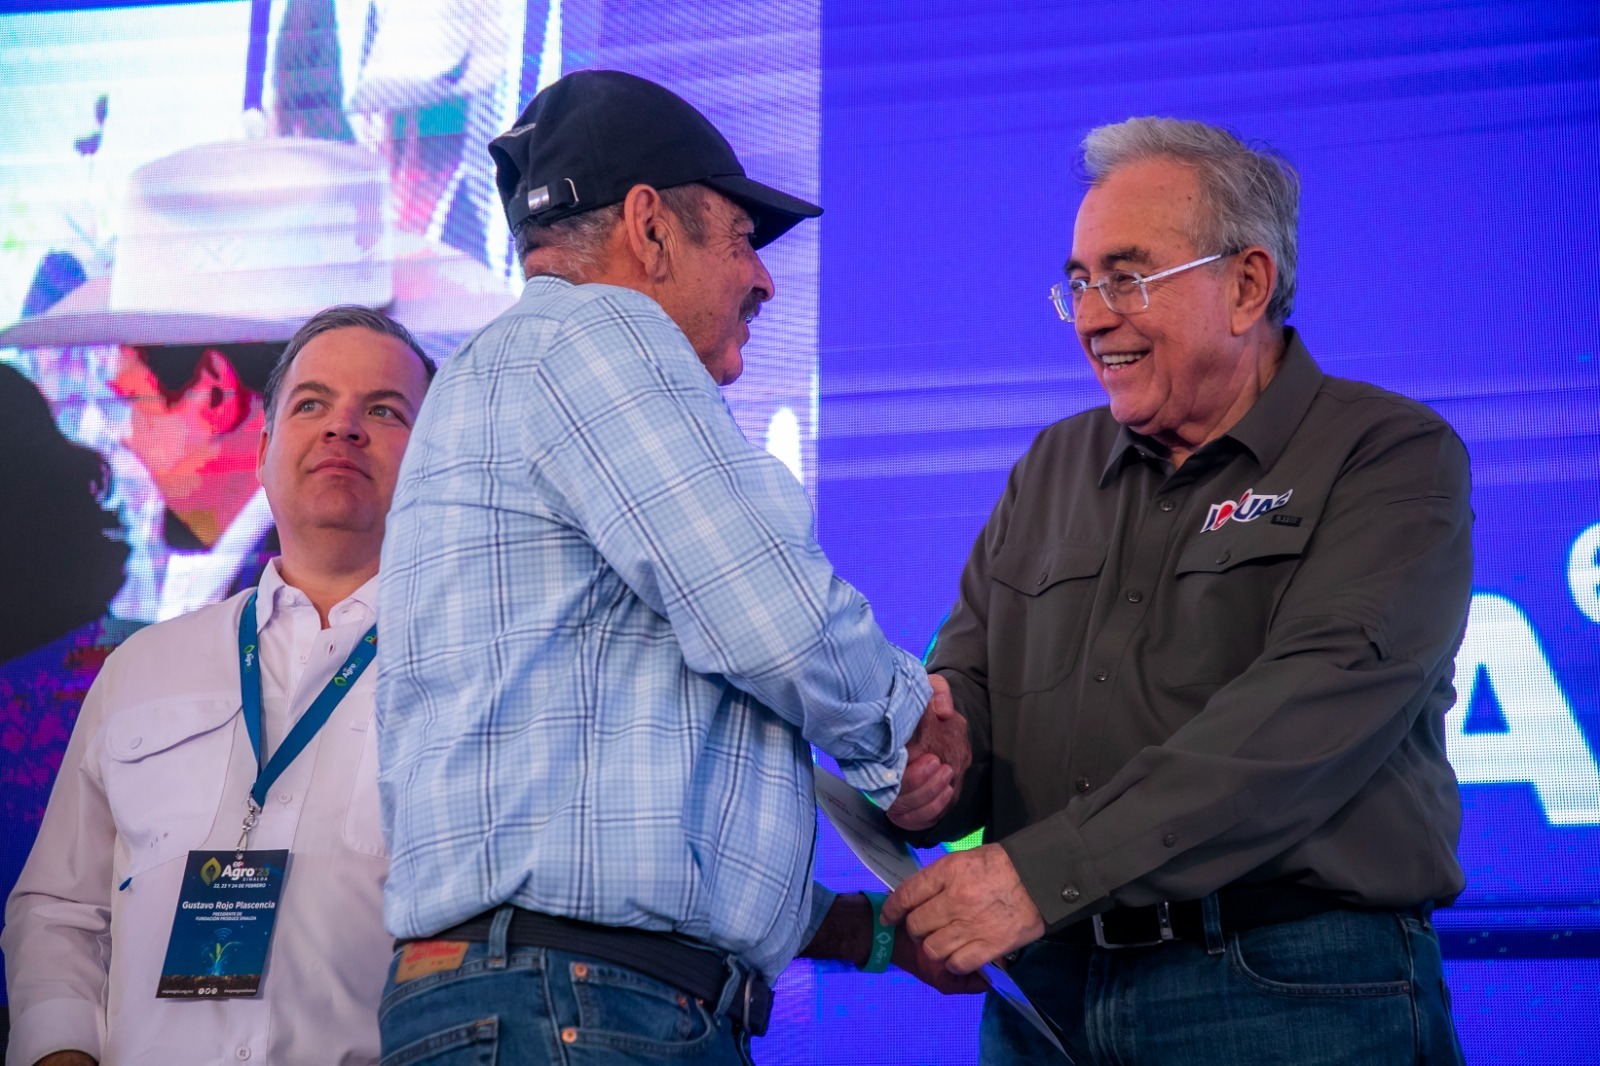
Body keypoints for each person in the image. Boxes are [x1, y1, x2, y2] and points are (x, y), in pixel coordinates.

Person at [376, 69, 973, 1064]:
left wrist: (869, 932)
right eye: (740, 240)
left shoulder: (498, 378)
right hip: (580, 1010)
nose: (764, 280)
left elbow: (624, 832)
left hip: (535, 999)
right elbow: (772, 617)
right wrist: (908, 728)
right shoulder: (595, 329)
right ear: (649, 229)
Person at [882, 117, 1474, 1064]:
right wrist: (932, 766)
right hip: (1048, 992)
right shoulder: (1053, 464)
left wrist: (1042, 874)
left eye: (1127, 277)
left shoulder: (1386, 455)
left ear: (1246, 285)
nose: (1092, 316)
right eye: (1079, 283)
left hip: (1284, 985)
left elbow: (1300, 721)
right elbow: (971, 676)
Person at [3, 306, 435, 1066]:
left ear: (436, 459)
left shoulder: (472, 673)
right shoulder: (141, 667)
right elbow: (60, 910)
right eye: (312, 404)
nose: (343, 428)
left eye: (384, 411)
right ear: (264, 449)